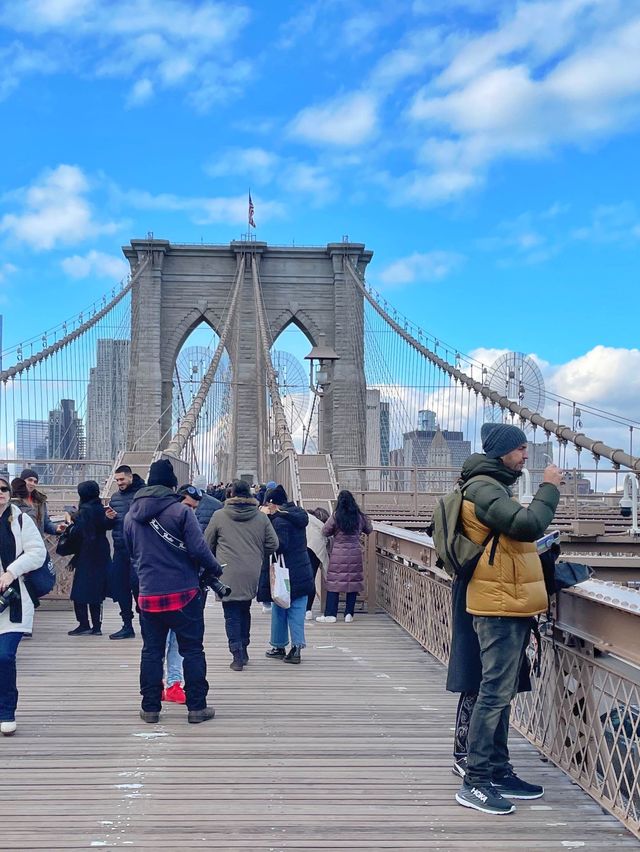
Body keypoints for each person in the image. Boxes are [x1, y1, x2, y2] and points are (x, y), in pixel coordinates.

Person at [453, 422, 562, 816]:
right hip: (498, 606)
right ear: (502, 453)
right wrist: (550, 487)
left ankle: (498, 770)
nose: (525, 455)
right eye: (519, 449)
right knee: (494, 694)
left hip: (510, 602)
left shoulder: (493, 486)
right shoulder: (484, 487)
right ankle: (476, 782)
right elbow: (528, 525)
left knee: (501, 694)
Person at [125, 459, 222, 724]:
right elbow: (199, 550)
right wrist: (215, 568)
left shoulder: (131, 515)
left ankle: (150, 708)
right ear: (172, 485)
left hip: (148, 594)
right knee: (192, 650)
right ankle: (196, 708)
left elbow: (132, 553)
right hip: (183, 594)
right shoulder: (181, 512)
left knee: (151, 651)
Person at [204, 479, 278, 671]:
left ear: (231, 494)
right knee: (244, 609)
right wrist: (258, 555)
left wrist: (215, 559)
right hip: (251, 570)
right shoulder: (261, 517)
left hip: (226, 570)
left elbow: (207, 542)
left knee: (231, 614)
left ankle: (236, 653)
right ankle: (244, 648)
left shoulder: (219, 515)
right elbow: (273, 544)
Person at [0, 474, 47, 735]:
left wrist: (11, 571)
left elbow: (37, 553)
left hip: (13, 601)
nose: (1, 493)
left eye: (4, 489)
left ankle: (6, 711)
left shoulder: (20, 519)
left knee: (5, 657)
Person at [261, 485, 315, 664]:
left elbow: (279, 545)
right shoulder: (298, 515)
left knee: (280, 608)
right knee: (298, 609)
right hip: (302, 569)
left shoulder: (279, 521)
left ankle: (278, 645)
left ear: (272, 504)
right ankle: (297, 647)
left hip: (284, 573)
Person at [316, 490, 372, 624]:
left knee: (334, 583)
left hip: (338, 553)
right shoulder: (359, 516)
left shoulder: (336, 516)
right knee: (353, 583)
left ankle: (331, 614)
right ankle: (349, 614)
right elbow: (369, 529)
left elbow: (324, 531)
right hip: (355, 552)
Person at [105, 464, 146, 640]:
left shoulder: (144, 495)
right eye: (117, 480)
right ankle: (127, 625)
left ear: (130, 477)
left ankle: (147, 625)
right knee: (121, 588)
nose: (119, 483)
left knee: (139, 588)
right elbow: (109, 526)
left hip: (140, 551)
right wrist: (107, 519)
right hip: (120, 549)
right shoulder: (114, 498)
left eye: (122, 479)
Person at [66, 481, 111, 636]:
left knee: (79, 592)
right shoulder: (100, 507)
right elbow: (104, 526)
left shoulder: (84, 510)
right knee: (95, 591)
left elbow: (80, 533)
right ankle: (97, 627)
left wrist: (73, 519)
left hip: (87, 554)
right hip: (101, 552)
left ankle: (84, 624)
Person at [19, 469, 66, 536]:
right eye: (30, 480)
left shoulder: (40, 501)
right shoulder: (13, 500)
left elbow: (45, 523)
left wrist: (57, 528)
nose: (32, 483)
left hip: (37, 541)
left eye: (35, 482)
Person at [305, 507, 330, 620]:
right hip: (315, 553)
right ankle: (308, 609)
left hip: (302, 550)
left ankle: (300, 608)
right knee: (311, 578)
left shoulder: (307, 521)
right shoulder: (321, 531)